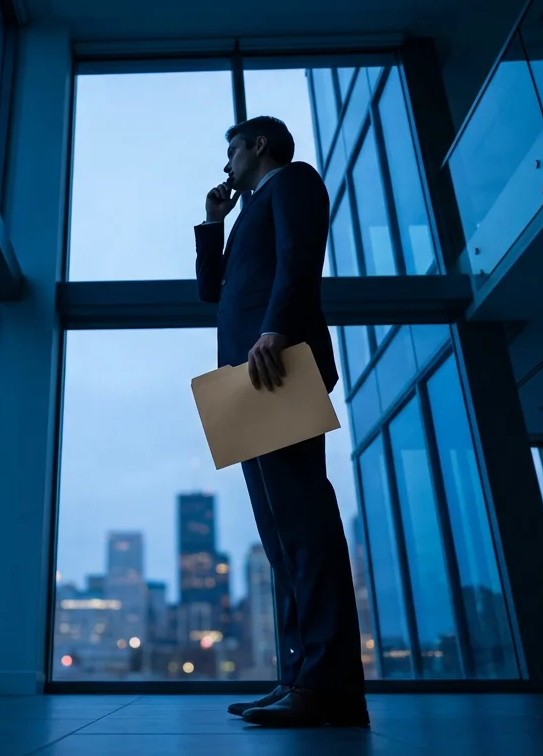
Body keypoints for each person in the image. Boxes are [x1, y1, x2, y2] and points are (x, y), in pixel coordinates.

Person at [194, 116, 368, 728]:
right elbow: (211, 290)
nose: (227, 166)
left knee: (304, 529)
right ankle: (299, 678)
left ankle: (326, 685)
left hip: (279, 361)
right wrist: (213, 225)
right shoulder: (245, 212)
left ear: (257, 146)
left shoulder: (294, 181)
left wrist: (278, 328)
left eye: (232, 151)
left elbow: (300, 260)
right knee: (279, 539)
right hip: (249, 378)